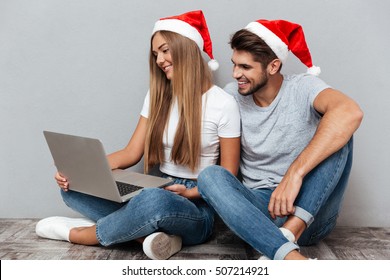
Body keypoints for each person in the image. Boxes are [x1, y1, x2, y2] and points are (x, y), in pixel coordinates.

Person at [35, 10, 241, 260]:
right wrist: (81, 172)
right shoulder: (157, 98)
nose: (159, 60)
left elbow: (228, 177)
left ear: (187, 48)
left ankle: (83, 234)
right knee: (73, 189)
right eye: (155, 54)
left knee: (153, 202)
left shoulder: (223, 103)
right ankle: (148, 235)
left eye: (165, 50)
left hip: (198, 205)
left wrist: (190, 193)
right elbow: (131, 153)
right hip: (158, 185)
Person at [197, 19, 363, 260]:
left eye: (245, 67)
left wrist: (294, 175)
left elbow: (350, 112)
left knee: (340, 132)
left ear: (273, 66)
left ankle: (291, 231)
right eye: (234, 65)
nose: (235, 74)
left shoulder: (303, 87)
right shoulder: (231, 96)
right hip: (261, 212)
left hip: (312, 211)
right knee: (210, 176)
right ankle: (288, 255)